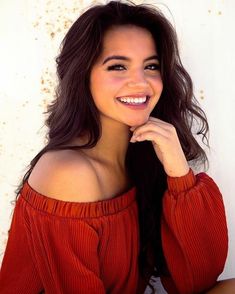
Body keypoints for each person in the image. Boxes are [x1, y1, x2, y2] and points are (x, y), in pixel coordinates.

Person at [0, 0, 234, 293]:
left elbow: (198, 280)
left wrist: (179, 172)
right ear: (83, 75)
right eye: (118, 66)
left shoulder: (141, 158)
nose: (140, 82)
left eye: (151, 66)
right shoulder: (69, 173)